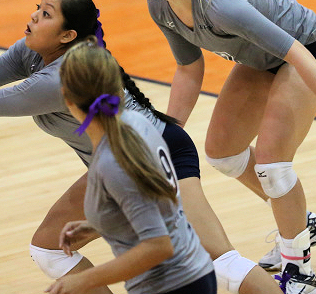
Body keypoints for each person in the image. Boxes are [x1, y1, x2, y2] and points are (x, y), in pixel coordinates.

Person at [0, 0, 282, 294]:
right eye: (38, 8)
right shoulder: (34, 52)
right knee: (50, 248)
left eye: (46, 13)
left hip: (158, 152)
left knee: (218, 258)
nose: (34, 16)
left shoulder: (59, 78)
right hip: (116, 162)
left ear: (68, 34)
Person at [132, 0, 316, 293]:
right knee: (222, 152)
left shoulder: (220, 4)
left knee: (272, 163)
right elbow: (188, 68)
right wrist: (168, 130)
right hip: (262, 60)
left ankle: (301, 274)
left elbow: (297, 52)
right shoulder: (161, 9)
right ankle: (302, 224)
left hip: (307, 49)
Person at [45, 39, 216, 294]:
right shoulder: (137, 121)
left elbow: (158, 246)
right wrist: (101, 225)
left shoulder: (112, 162)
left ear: (67, 100)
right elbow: (153, 203)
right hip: (194, 272)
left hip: (173, 285)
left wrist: (82, 279)